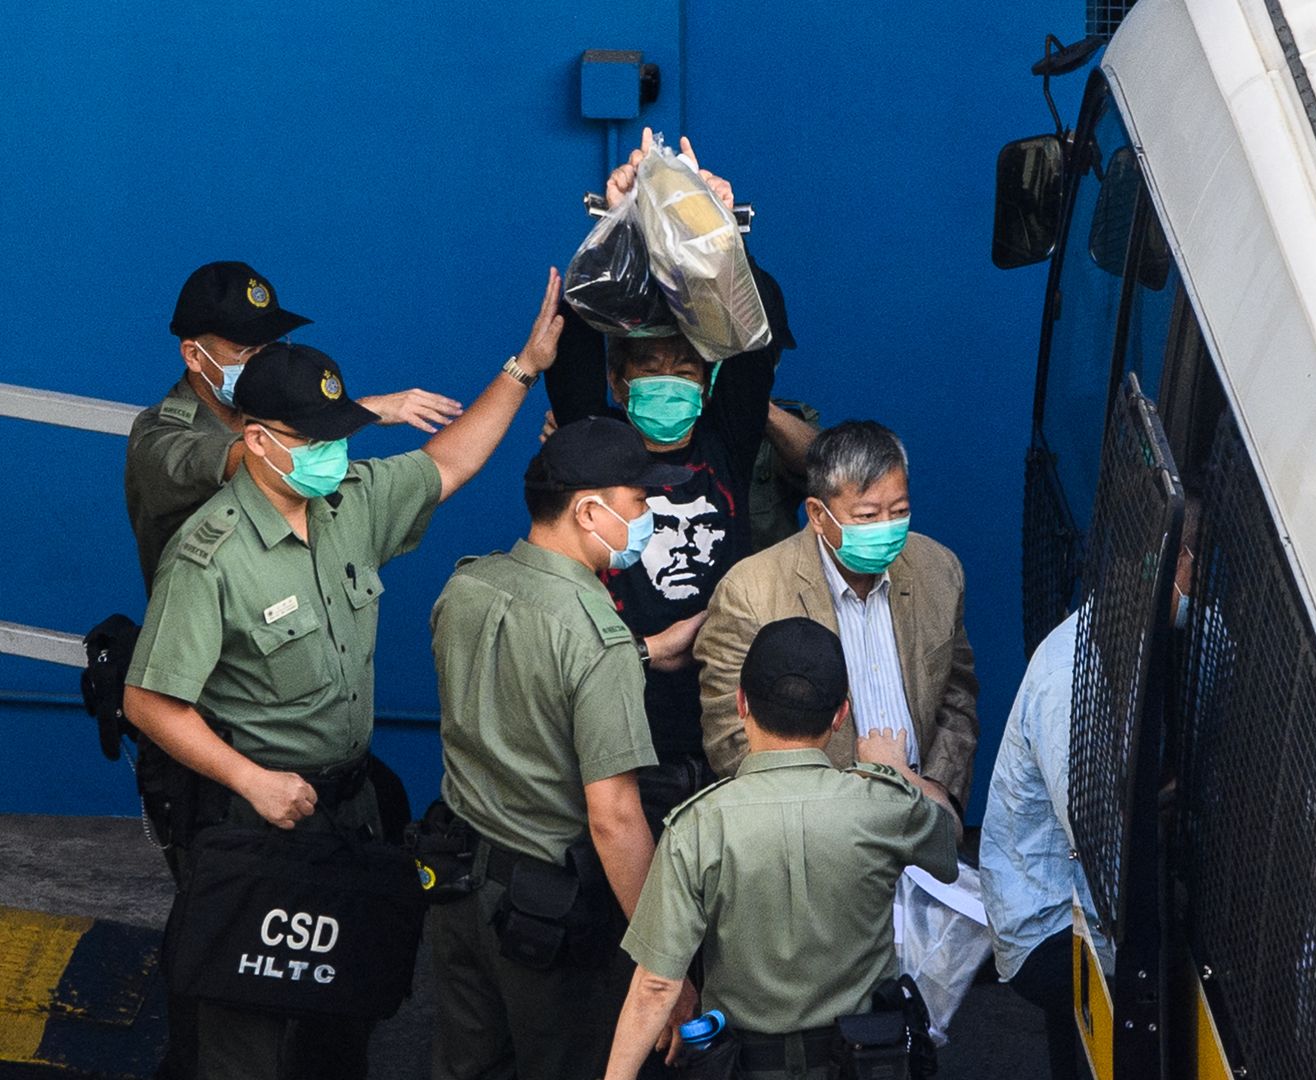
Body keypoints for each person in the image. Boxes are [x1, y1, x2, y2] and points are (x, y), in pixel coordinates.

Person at [120, 272, 565, 1080]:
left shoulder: (349, 500)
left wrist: (524, 368)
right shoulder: (208, 554)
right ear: (257, 441)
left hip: (343, 811)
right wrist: (252, 781)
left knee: (340, 1017)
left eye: (340, 436)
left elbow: (446, 464)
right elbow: (149, 699)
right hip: (254, 820)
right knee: (240, 1037)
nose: (335, 453)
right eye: (316, 438)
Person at [426, 417, 698, 1078]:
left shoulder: (467, 585)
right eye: (638, 501)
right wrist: (664, 966)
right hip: (545, 915)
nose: (649, 515)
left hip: (456, 888)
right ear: (588, 511)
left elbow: (523, 686)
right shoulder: (595, 637)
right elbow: (615, 818)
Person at [545, 134, 808, 777]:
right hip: (622, 720)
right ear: (619, 380)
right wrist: (625, 220)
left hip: (723, 715)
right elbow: (578, 325)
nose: (668, 378)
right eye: (649, 366)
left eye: (684, 367)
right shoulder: (594, 445)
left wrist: (710, 225)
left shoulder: (728, 439)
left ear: (708, 380)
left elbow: (759, 321)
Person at [603, 617, 959, 1080]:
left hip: (744, 1066)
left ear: (741, 703)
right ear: (840, 715)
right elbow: (949, 847)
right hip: (865, 1061)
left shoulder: (698, 825)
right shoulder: (883, 807)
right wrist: (898, 771)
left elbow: (655, 985)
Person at [977, 506, 1201, 1080]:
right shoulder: (1069, 676)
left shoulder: (1158, 635)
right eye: (1200, 568)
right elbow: (1102, 844)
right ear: (1174, 561)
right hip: (1049, 918)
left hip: (1098, 894)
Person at [696, 420, 980, 812]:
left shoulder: (939, 570)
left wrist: (933, 790)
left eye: (899, 511)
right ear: (817, 513)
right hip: (812, 826)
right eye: (866, 516)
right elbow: (731, 738)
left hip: (923, 813)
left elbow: (957, 695)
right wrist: (837, 816)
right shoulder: (750, 592)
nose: (887, 528)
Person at [126, 260, 462, 591]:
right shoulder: (158, 435)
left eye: (270, 346)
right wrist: (355, 412)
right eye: (246, 351)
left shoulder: (277, 410)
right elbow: (253, 457)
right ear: (194, 356)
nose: (263, 361)